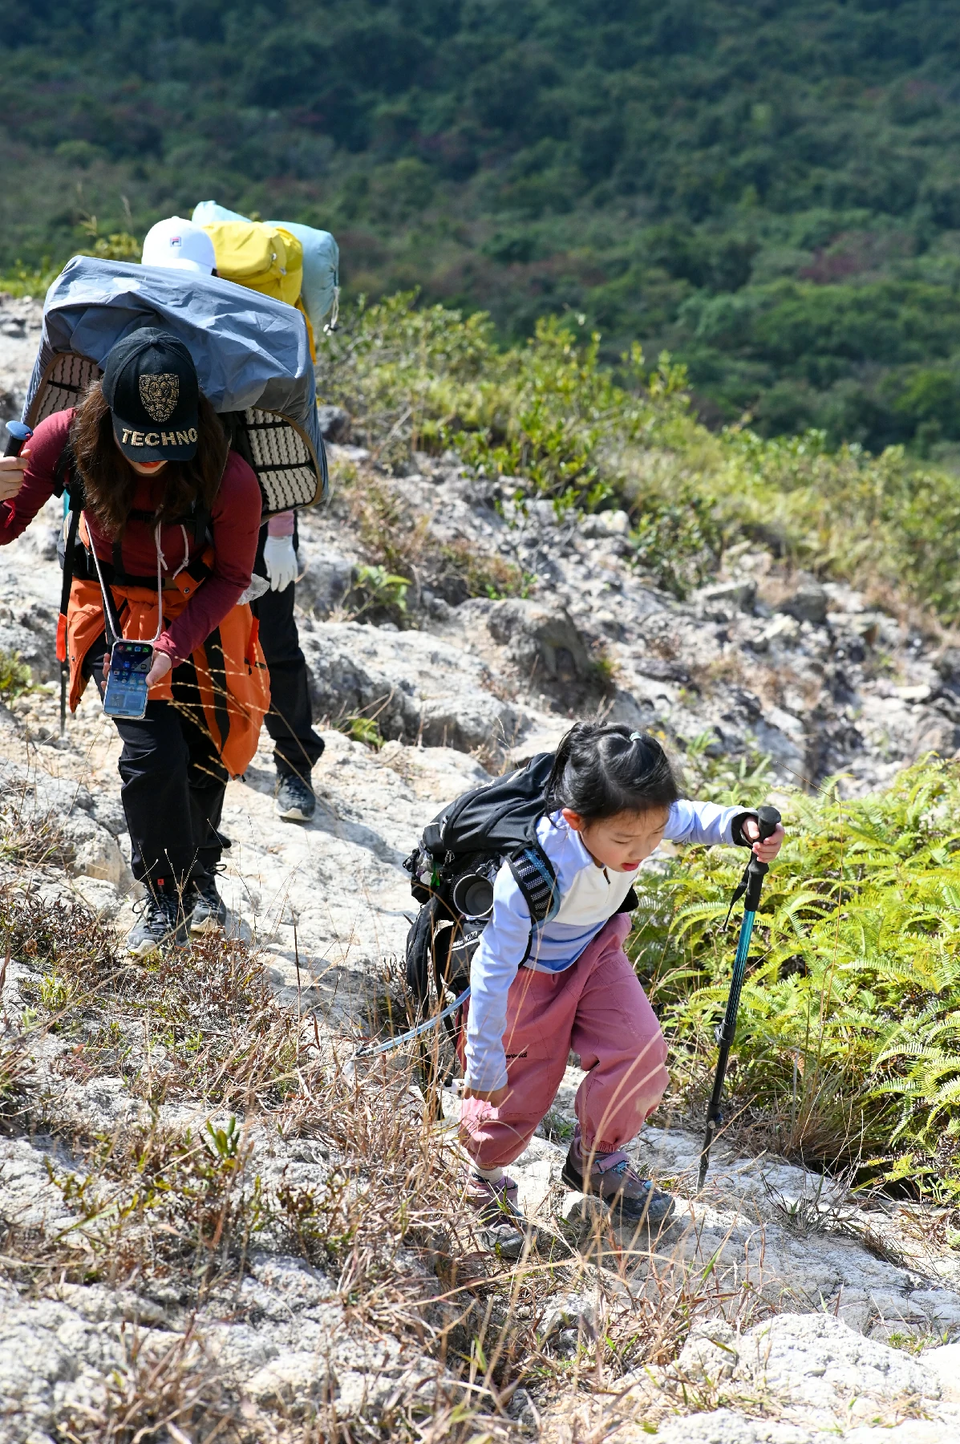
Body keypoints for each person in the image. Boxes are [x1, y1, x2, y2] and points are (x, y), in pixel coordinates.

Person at [458, 722, 785, 1240]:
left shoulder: (634, 817)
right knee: (518, 1093)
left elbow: (689, 818)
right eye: (625, 839)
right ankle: (482, 1176)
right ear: (576, 821)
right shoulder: (531, 871)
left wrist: (740, 825)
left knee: (641, 1050)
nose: (644, 848)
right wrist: (483, 1057)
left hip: (596, 953)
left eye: (655, 834)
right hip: (528, 979)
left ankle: (597, 1159)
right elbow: (492, 967)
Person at [0, 328, 268, 954]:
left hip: (198, 611)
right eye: (135, 442)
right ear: (105, 417)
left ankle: (200, 870)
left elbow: (231, 575)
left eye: (165, 446)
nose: (150, 458)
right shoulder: (63, 440)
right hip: (111, 612)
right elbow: (4, 530)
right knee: (152, 751)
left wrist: (171, 650)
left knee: (209, 752)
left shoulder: (226, 477)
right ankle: (165, 899)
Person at [143, 215, 324, 822]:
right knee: (190, 632)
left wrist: (279, 535)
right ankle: (209, 744)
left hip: (253, 511)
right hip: (175, 511)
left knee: (273, 636)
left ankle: (296, 766)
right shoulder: (133, 324)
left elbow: (276, 436)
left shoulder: (241, 330)